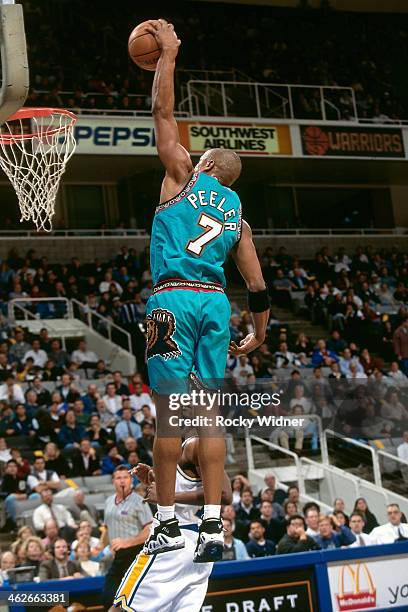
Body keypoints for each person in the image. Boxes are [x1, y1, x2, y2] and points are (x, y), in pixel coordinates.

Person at [140, 19, 269, 563]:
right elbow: (258, 286)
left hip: (173, 296)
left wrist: (167, 54)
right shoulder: (237, 214)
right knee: (208, 415)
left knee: (173, 413)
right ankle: (215, 529)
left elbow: (162, 114)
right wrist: (257, 335)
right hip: (217, 303)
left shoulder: (183, 174)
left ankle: (168, 524)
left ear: (209, 163)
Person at [114, 437, 232, 612]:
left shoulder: (195, 444)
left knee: (122, 608)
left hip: (173, 543)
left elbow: (224, 494)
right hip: (196, 549)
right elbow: (193, 486)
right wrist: (154, 478)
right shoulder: (191, 447)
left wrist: (167, 496)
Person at [102, 466, 153, 610]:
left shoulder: (139, 501)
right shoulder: (108, 502)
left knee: (129, 601)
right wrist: (100, 548)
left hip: (135, 555)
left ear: (131, 480)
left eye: (125, 477)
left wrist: (127, 542)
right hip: (117, 557)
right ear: (113, 481)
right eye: (118, 478)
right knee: (107, 598)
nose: (122, 481)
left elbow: (149, 530)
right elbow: (106, 528)